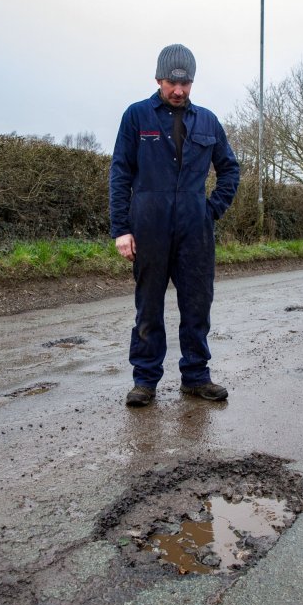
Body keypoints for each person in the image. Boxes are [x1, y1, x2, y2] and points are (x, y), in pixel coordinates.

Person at [109, 44, 241, 406]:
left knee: (197, 305)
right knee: (148, 306)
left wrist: (212, 209)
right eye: (172, 82)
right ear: (158, 79)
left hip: (195, 230)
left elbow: (229, 168)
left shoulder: (209, 121)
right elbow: (120, 172)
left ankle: (196, 376)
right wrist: (121, 228)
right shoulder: (137, 116)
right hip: (148, 225)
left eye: (186, 84)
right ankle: (145, 381)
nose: (179, 90)